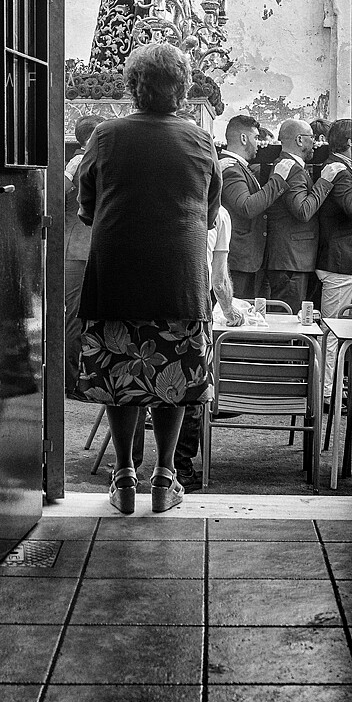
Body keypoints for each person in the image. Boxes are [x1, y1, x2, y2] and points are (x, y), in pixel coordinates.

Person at [76, 41, 222, 514]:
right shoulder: (201, 141)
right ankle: (164, 479)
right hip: (178, 276)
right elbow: (209, 213)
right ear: (181, 90)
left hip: (116, 273)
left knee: (121, 374)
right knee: (173, 376)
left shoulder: (105, 135)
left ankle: (122, 479)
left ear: (132, 86)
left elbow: (87, 208)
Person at [132, 199, 244, 490]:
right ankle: (179, 468)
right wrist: (230, 312)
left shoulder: (159, 203)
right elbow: (218, 279)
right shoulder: (219, 214)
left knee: (136, 380)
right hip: (192, 300)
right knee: (189, 384)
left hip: (146, 297)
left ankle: (127, 468)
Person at [261, 118, 341, 310]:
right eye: (311, 138)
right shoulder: (291, 169)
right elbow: (303, 211)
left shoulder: (292, 166)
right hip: (290, 261)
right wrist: (324, 182)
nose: (315, 143)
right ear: (299, 140)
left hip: (293, 259)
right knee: (285, 323)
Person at [219, 113, 297, 299]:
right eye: (255, 137)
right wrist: (278, 179)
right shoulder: (230, 168)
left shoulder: (240, 167)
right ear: (244, 138)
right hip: (240, 261)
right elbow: (247, 207)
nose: (259, 143)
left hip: (250, 259)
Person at [316, 118, 352, 404]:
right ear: (350, 143)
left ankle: (333, 389)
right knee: (332, 331)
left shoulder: (341, 169)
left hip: (342, 260)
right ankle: (327, 393)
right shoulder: (340, 173)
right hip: (339, 262)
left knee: (337, 330)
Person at [64, 116, 107, 397]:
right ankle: (69, 382)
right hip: (79, 247)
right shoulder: (78, 164)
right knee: (75, 318)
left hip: (89, 246)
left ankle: (82, 379)